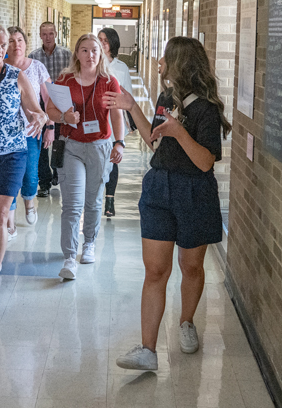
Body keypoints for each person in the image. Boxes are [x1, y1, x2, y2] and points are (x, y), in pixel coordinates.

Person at [107, 36, 232, 370]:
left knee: (190, 266)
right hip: (159, 188)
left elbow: (206, 162)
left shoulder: (206, 108)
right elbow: (153, 142)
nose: (159, 63)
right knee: (156, 270)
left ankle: (186, 322)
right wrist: (132, 107)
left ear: (182, 63)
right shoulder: (165, 97)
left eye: (165, 58)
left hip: (195, 192)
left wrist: (179, 132)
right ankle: (148, 349)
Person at [0, 22, 47, 302]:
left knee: (0, 213)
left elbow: (35, 111)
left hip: (13, 153)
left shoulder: (17, 76)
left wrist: (40, 119)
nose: (0, 50)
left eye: (4, 45)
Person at [46, 34, 125, 278]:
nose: (90, 55)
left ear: (101, 53)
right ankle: (70, 256)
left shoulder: (109, 81)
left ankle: (89, 243)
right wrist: (63, 118)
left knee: (93, 200)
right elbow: (50, 108)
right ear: (77, 54)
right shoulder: (66, 79)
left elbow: (116, 115)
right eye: (84, 50)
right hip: (72, 146)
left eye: (94, 50)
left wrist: (119, 143)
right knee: (72, 204)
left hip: (100, 146)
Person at [5, 26, 52, 236]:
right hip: (7, 134)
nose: (16, 45)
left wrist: (50, 126)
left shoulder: (37, 67)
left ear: (26, 44)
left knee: (31, 175)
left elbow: (49, 100)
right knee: (9, 179)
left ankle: (30, 204)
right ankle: (10, 222)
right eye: (12, 41)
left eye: (20, 40)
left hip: (32, 130)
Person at [29, 22, 71, 198]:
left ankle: (58, 174)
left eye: (51, 34)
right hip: (41, 107)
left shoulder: (67, 55)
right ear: (40, 35)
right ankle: (44, 183)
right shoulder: (34, 56)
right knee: (42, 147)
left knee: (60, 144)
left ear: (56, 34)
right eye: (44, 34)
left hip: (62, 106)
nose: (48, 37)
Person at [98, 28, 134, 217]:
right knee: (97, 159)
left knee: (113, 160)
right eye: (100, 40)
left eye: (106, 40)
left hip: (115, 119)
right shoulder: (92, 63)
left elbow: (128, 95)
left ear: (113, 43)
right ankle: (95, 197)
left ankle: (110, 201)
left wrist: (129, 122)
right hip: (96, 119)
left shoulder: (121, 68)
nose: (102, 43)